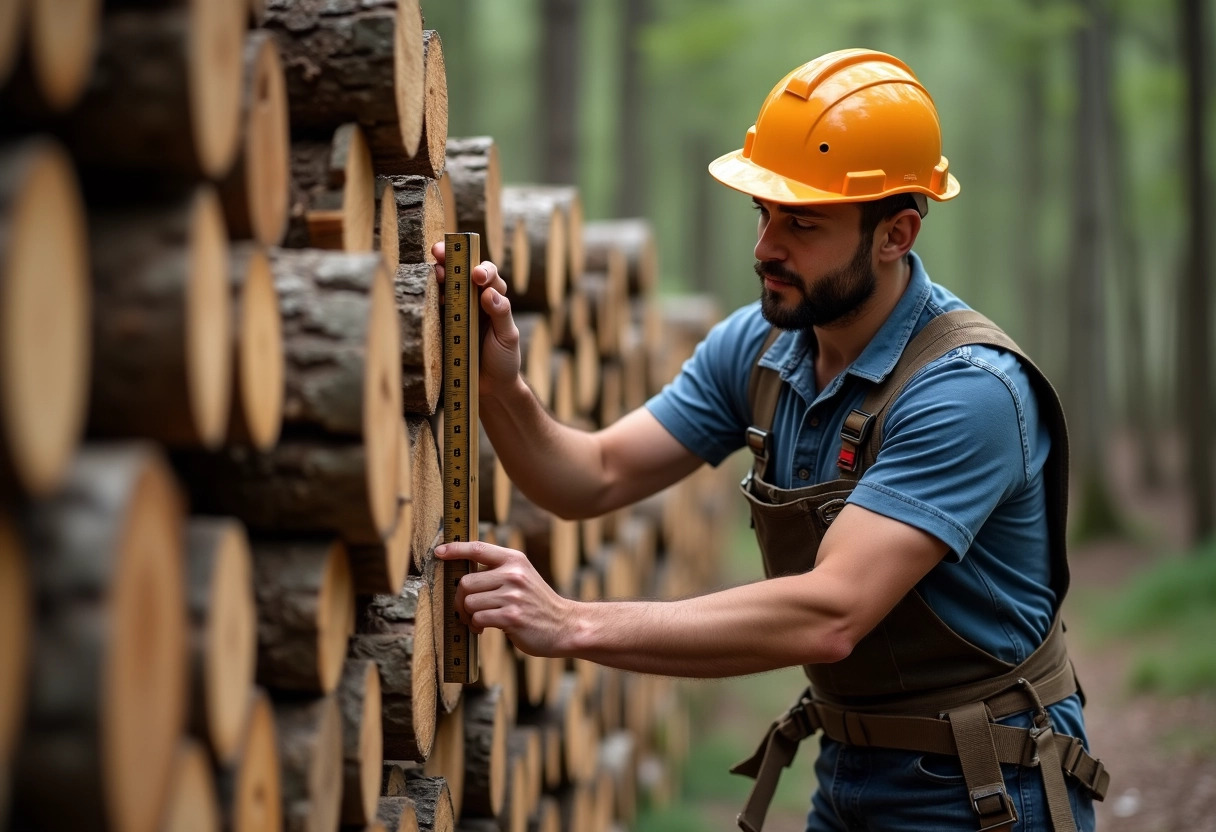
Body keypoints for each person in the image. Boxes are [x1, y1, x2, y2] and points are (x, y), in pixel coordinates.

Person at [432, 48, 1109, 831]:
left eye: (803, 222)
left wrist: (571, 622)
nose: (765, 247)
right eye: (765, 212)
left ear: (896, 233)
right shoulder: (759, 345)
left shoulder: (968, 391)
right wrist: (500, 390)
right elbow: (594, 474)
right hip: (846, 771)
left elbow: (830, 613)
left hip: (985, 788)